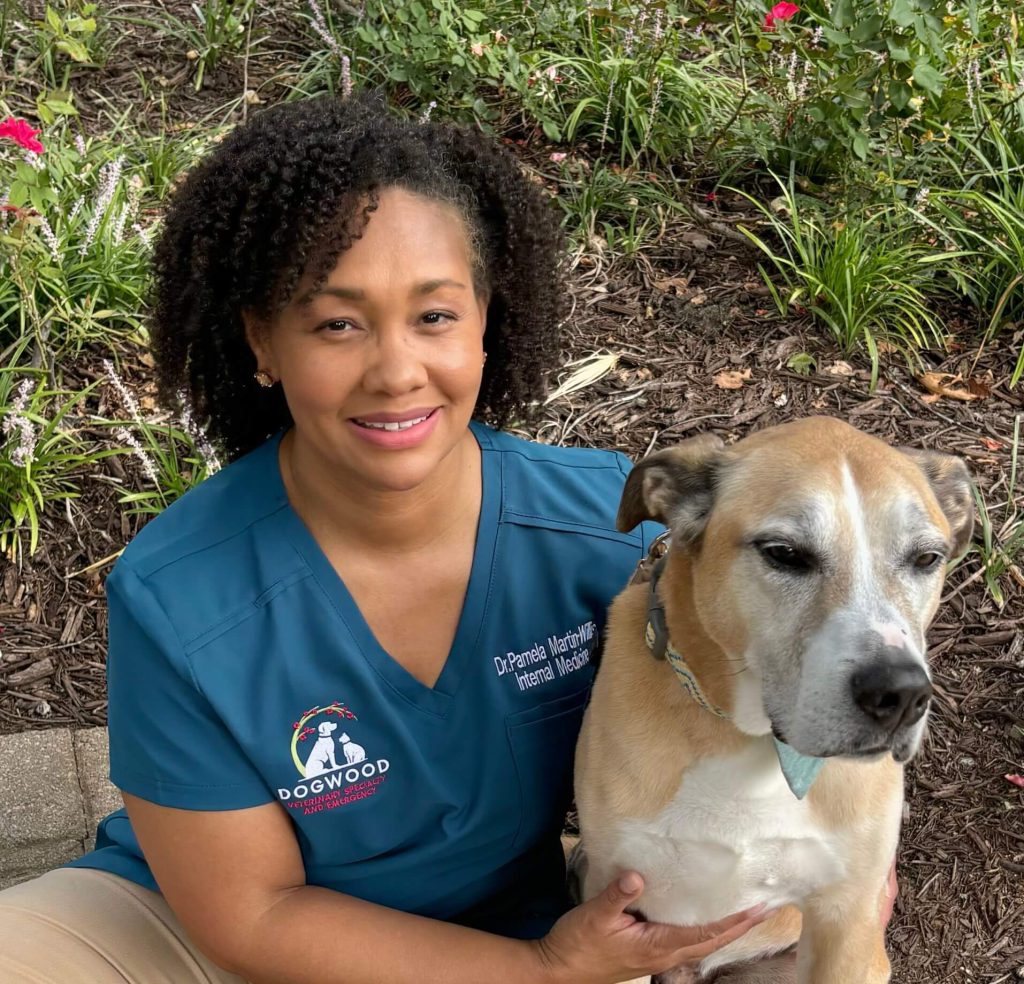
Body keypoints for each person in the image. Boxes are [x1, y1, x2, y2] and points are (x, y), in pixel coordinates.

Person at [0, 93, 770, 984]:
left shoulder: (601, 529)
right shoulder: (180, 593)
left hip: (506, 930)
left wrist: (841, 861)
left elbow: (764, 708)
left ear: (487, 321)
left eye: (435, 316)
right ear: (263, 342)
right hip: (192, 926)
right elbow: (250, 913)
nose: (397, 371)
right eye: (337, 323)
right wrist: (545, 970)